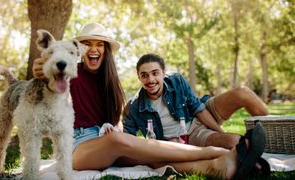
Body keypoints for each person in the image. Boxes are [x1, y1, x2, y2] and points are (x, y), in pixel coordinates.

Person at [33, 23, 266, 179]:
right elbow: (50, 75)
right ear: (80, 49)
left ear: (105, 50)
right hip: (76, 147)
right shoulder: (70, 69)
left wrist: (114, 128)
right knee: (121, 141)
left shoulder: (109, 82)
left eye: (100, 44)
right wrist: (41, 70)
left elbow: (116, 120)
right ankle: (218, 151)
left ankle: (221, 166)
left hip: (102, 138)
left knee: (152, 158)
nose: (94, 49)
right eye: (88, 44)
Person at [123, 53, 268, 149]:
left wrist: (219, 131)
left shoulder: (176, 81)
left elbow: (197, 108)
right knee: (236, 142)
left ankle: (271, 136)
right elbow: (128, 143)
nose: (151, 80)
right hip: (188, 137)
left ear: (163, 72)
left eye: (155, 73)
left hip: (198, 115)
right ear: (139, 77)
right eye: (144, 75)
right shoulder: (133, 108)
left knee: (242, 93)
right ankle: (251, 147)